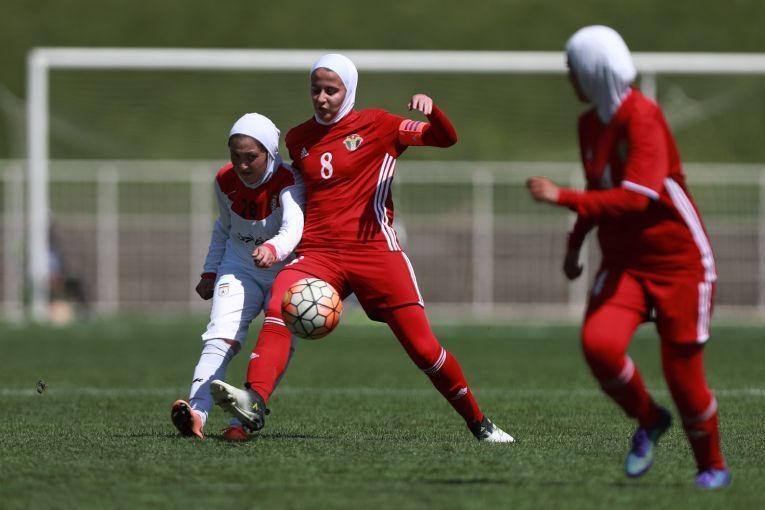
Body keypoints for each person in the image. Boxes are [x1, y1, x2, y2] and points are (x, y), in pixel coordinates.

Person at [211, 53, 514, 443]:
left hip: (375, 252)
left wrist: (433, 111)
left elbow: (445, 138)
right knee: (279, 304)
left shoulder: (380, 125)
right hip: (319, 252)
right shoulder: (298, 139)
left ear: (349, 90)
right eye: (316, 89)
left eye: (331, 90)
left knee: (424, 350)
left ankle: (479, 422)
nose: (322, 98)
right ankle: (251, 407)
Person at [526, 26, 730, 488]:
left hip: (679, 264)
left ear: (593, 69)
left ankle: (712, 466)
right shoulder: (588, 125)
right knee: (599, 345)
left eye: (573, 68)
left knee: (683, 378)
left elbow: (638, 197)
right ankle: (650, 419)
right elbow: (599, 190)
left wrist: (562, 197)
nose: (570, 78)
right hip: (625, 265)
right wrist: (575, 244)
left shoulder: (643, 116)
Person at [170, 113, 304, 440]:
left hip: (287, 269)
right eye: (235, 156)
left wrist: (273, 248)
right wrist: (210, 270)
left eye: (251, 157)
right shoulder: (224, 180)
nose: (242, 165)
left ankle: (240, 423)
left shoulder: (289, 180)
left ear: (270, 153)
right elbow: (224, 228)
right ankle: (196, 413)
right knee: (219, 337)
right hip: (240, 266)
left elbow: (294, 227)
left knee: (275, 341)